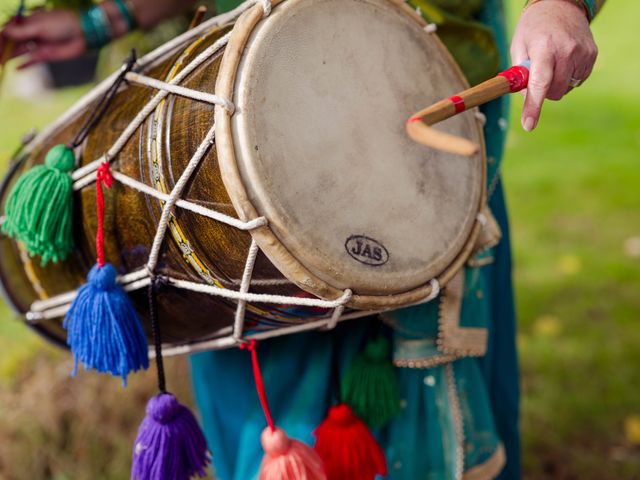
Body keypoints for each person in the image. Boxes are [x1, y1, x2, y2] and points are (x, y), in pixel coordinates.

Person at [0, 0, 603, 478]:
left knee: (425, 297)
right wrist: (110, 16)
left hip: (427, 81)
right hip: (237, 105)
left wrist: (562, 4)